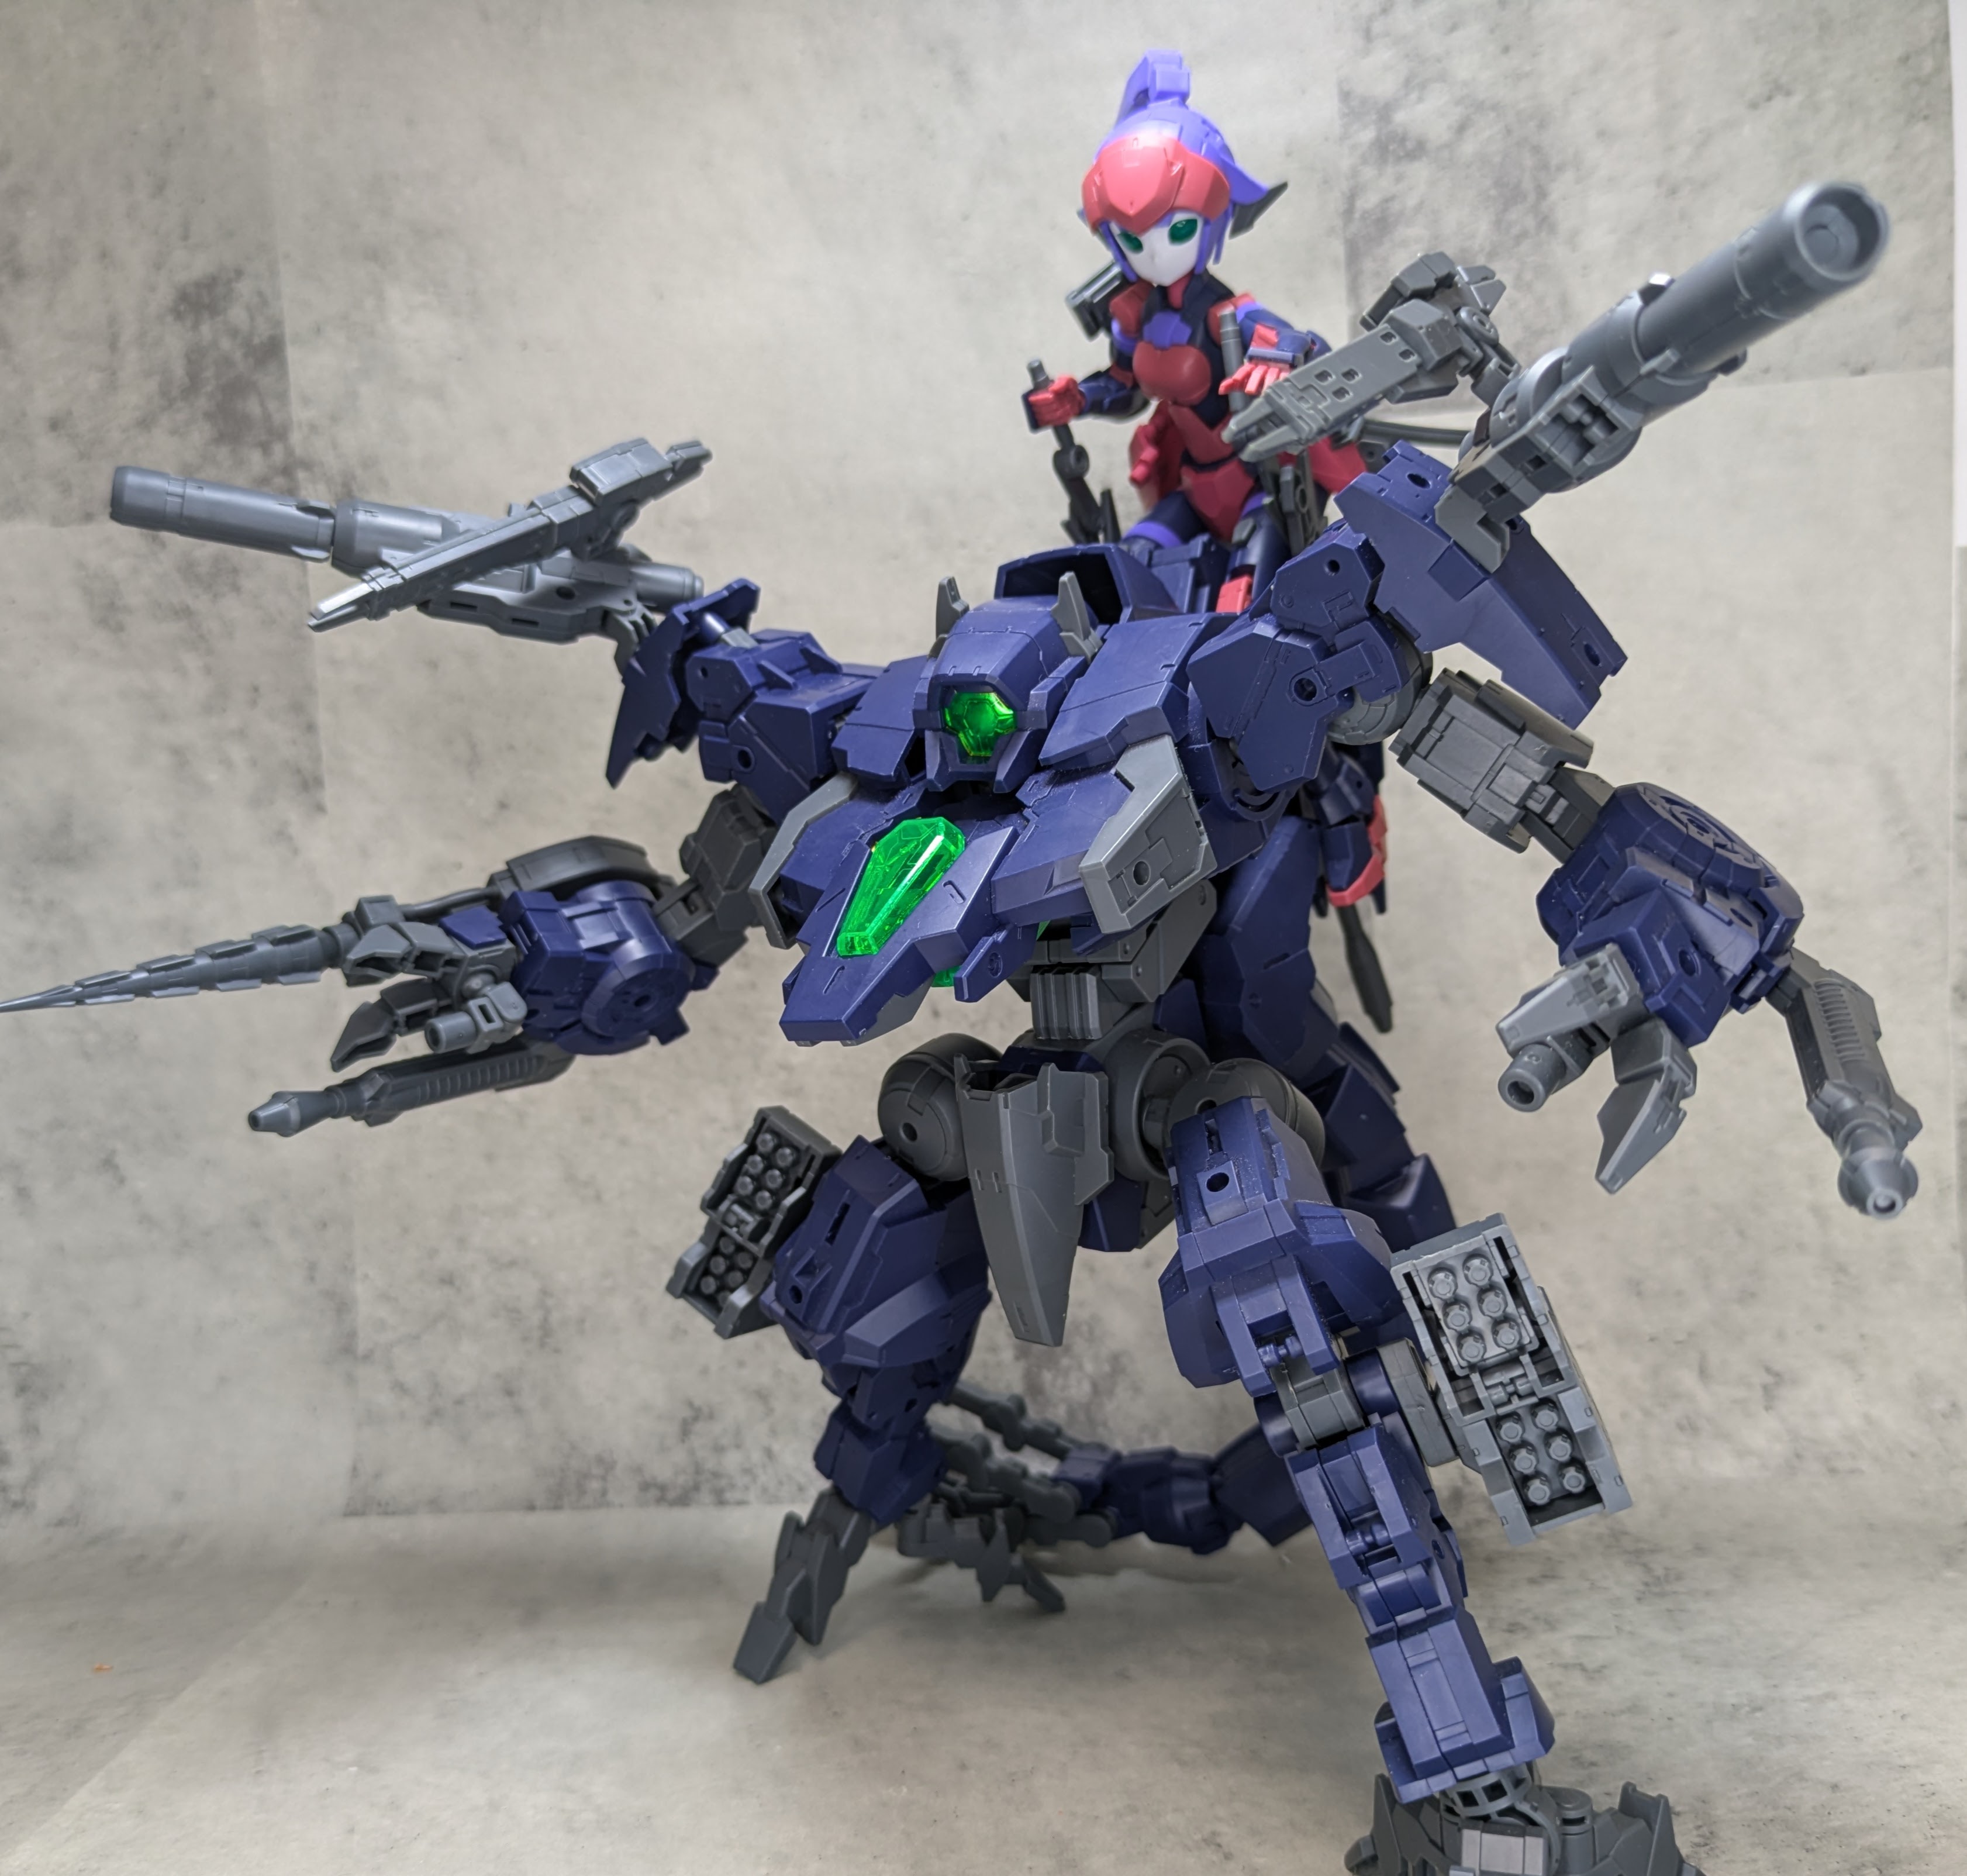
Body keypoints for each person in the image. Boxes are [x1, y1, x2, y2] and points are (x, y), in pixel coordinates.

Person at [1023, 50, 1366, 612]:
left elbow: (1302, 344)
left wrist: (1277, 359)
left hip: (1257, 486)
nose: (1156, 252)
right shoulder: (1135, 314)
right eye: (1132, 240)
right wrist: (1078, 398)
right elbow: (1126, 387)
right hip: (1191, 486)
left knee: (1246, 598)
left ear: (1212, 218)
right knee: (1129, 569)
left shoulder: (1228, 316)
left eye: (1177, 229)